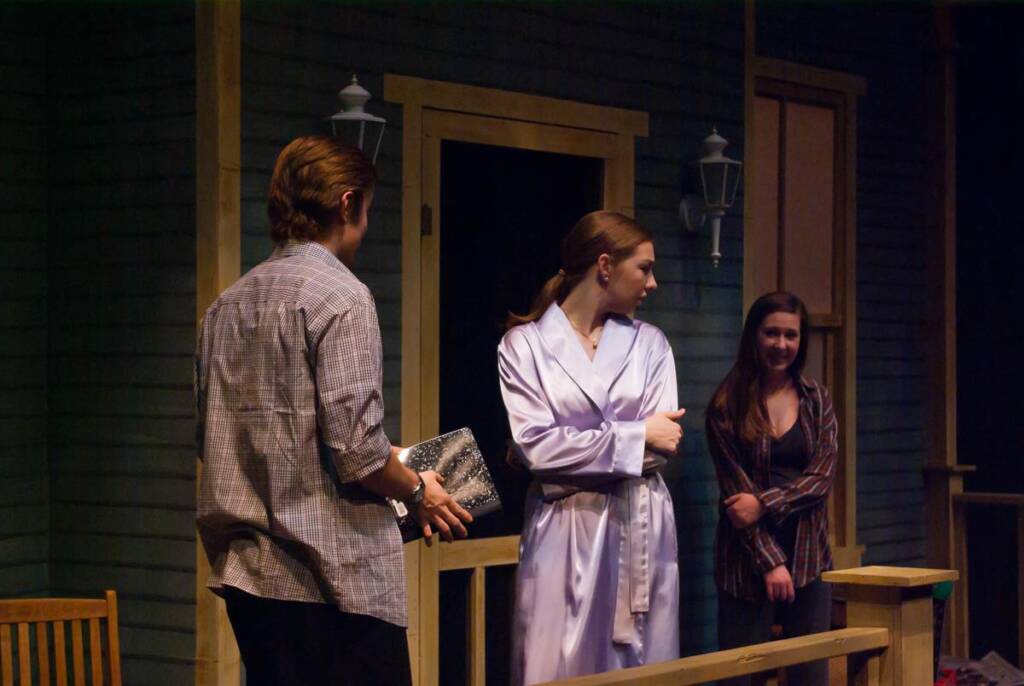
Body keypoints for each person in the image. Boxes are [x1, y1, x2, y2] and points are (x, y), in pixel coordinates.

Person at [194, 135, 472, 686]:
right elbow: (357, 453)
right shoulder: (341, 296)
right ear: (347, 204)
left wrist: (383, 456)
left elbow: (232, 436)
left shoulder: (225, 307)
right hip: (333, 587)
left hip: (253, 583)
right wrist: (419, 489)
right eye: (366, 210)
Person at [497, 210, 685, 686]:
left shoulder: (651, 345)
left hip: (641, 525)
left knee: (643, 668)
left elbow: (663, 447)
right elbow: (537, 447)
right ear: (605, 265)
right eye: (643, 268)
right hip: (563, 530)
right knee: (553, 664)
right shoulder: (524, 347)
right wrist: (636, 434)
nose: (653, 283)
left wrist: (567, 458)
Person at [706, 291, 838, 685]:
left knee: (810, 674)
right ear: (754, 337)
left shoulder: (817, 400)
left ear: (801, 341)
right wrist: (770, 561)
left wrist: (763, 503)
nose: (781, 345)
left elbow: (821, 477)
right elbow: (736, 500)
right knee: (741, 674)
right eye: (771, 334)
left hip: (809, 556)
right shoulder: (726, 405)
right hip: (744, 561)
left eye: (791, 336)